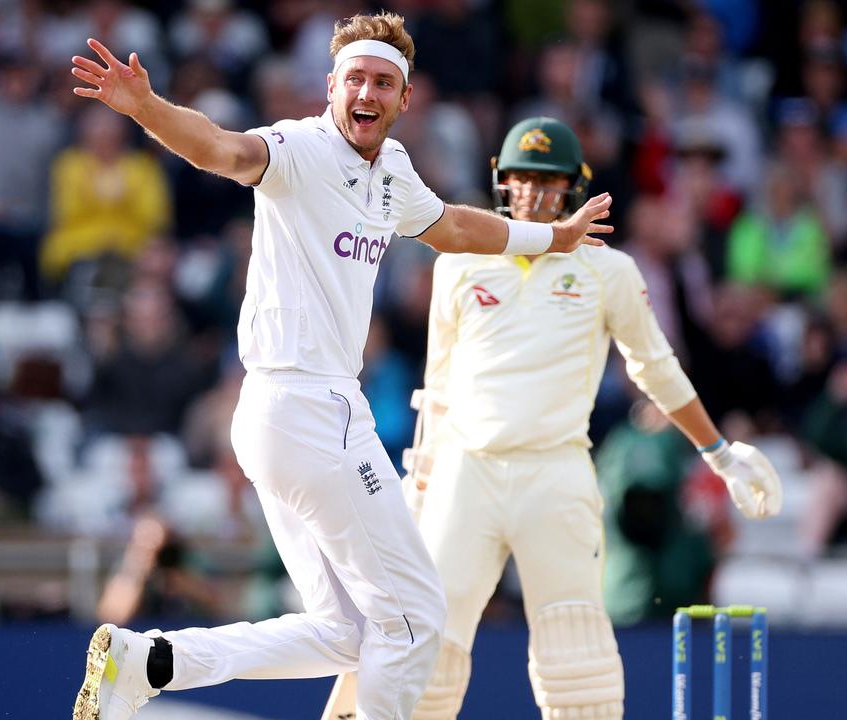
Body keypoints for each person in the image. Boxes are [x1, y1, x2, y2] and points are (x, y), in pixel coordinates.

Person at [67, 12, 615, 720]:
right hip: (306, 409)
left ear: (404, 100)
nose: (367, 91)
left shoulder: (393, 171)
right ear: (331, 86)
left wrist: (552, 238)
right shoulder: (299, 148)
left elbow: (453, 227)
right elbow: (219, 150)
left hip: (291, 417)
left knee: (346, 633)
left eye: (383, 82)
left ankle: (150, 662)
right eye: (355, 78)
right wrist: (146, 108)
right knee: (417, 617)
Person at [321, 118, 783, 720]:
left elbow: (656, 369)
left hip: (556, 472)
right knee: (423, 650)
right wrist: (422, 481)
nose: (534, 195)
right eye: (521, 180)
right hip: (467, 473)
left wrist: (719, 452)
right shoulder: (458, 262)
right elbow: (438, 386)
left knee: (577, 666)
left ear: (573, 189)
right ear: (501, 183)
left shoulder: (608, 270)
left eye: (548, 182)